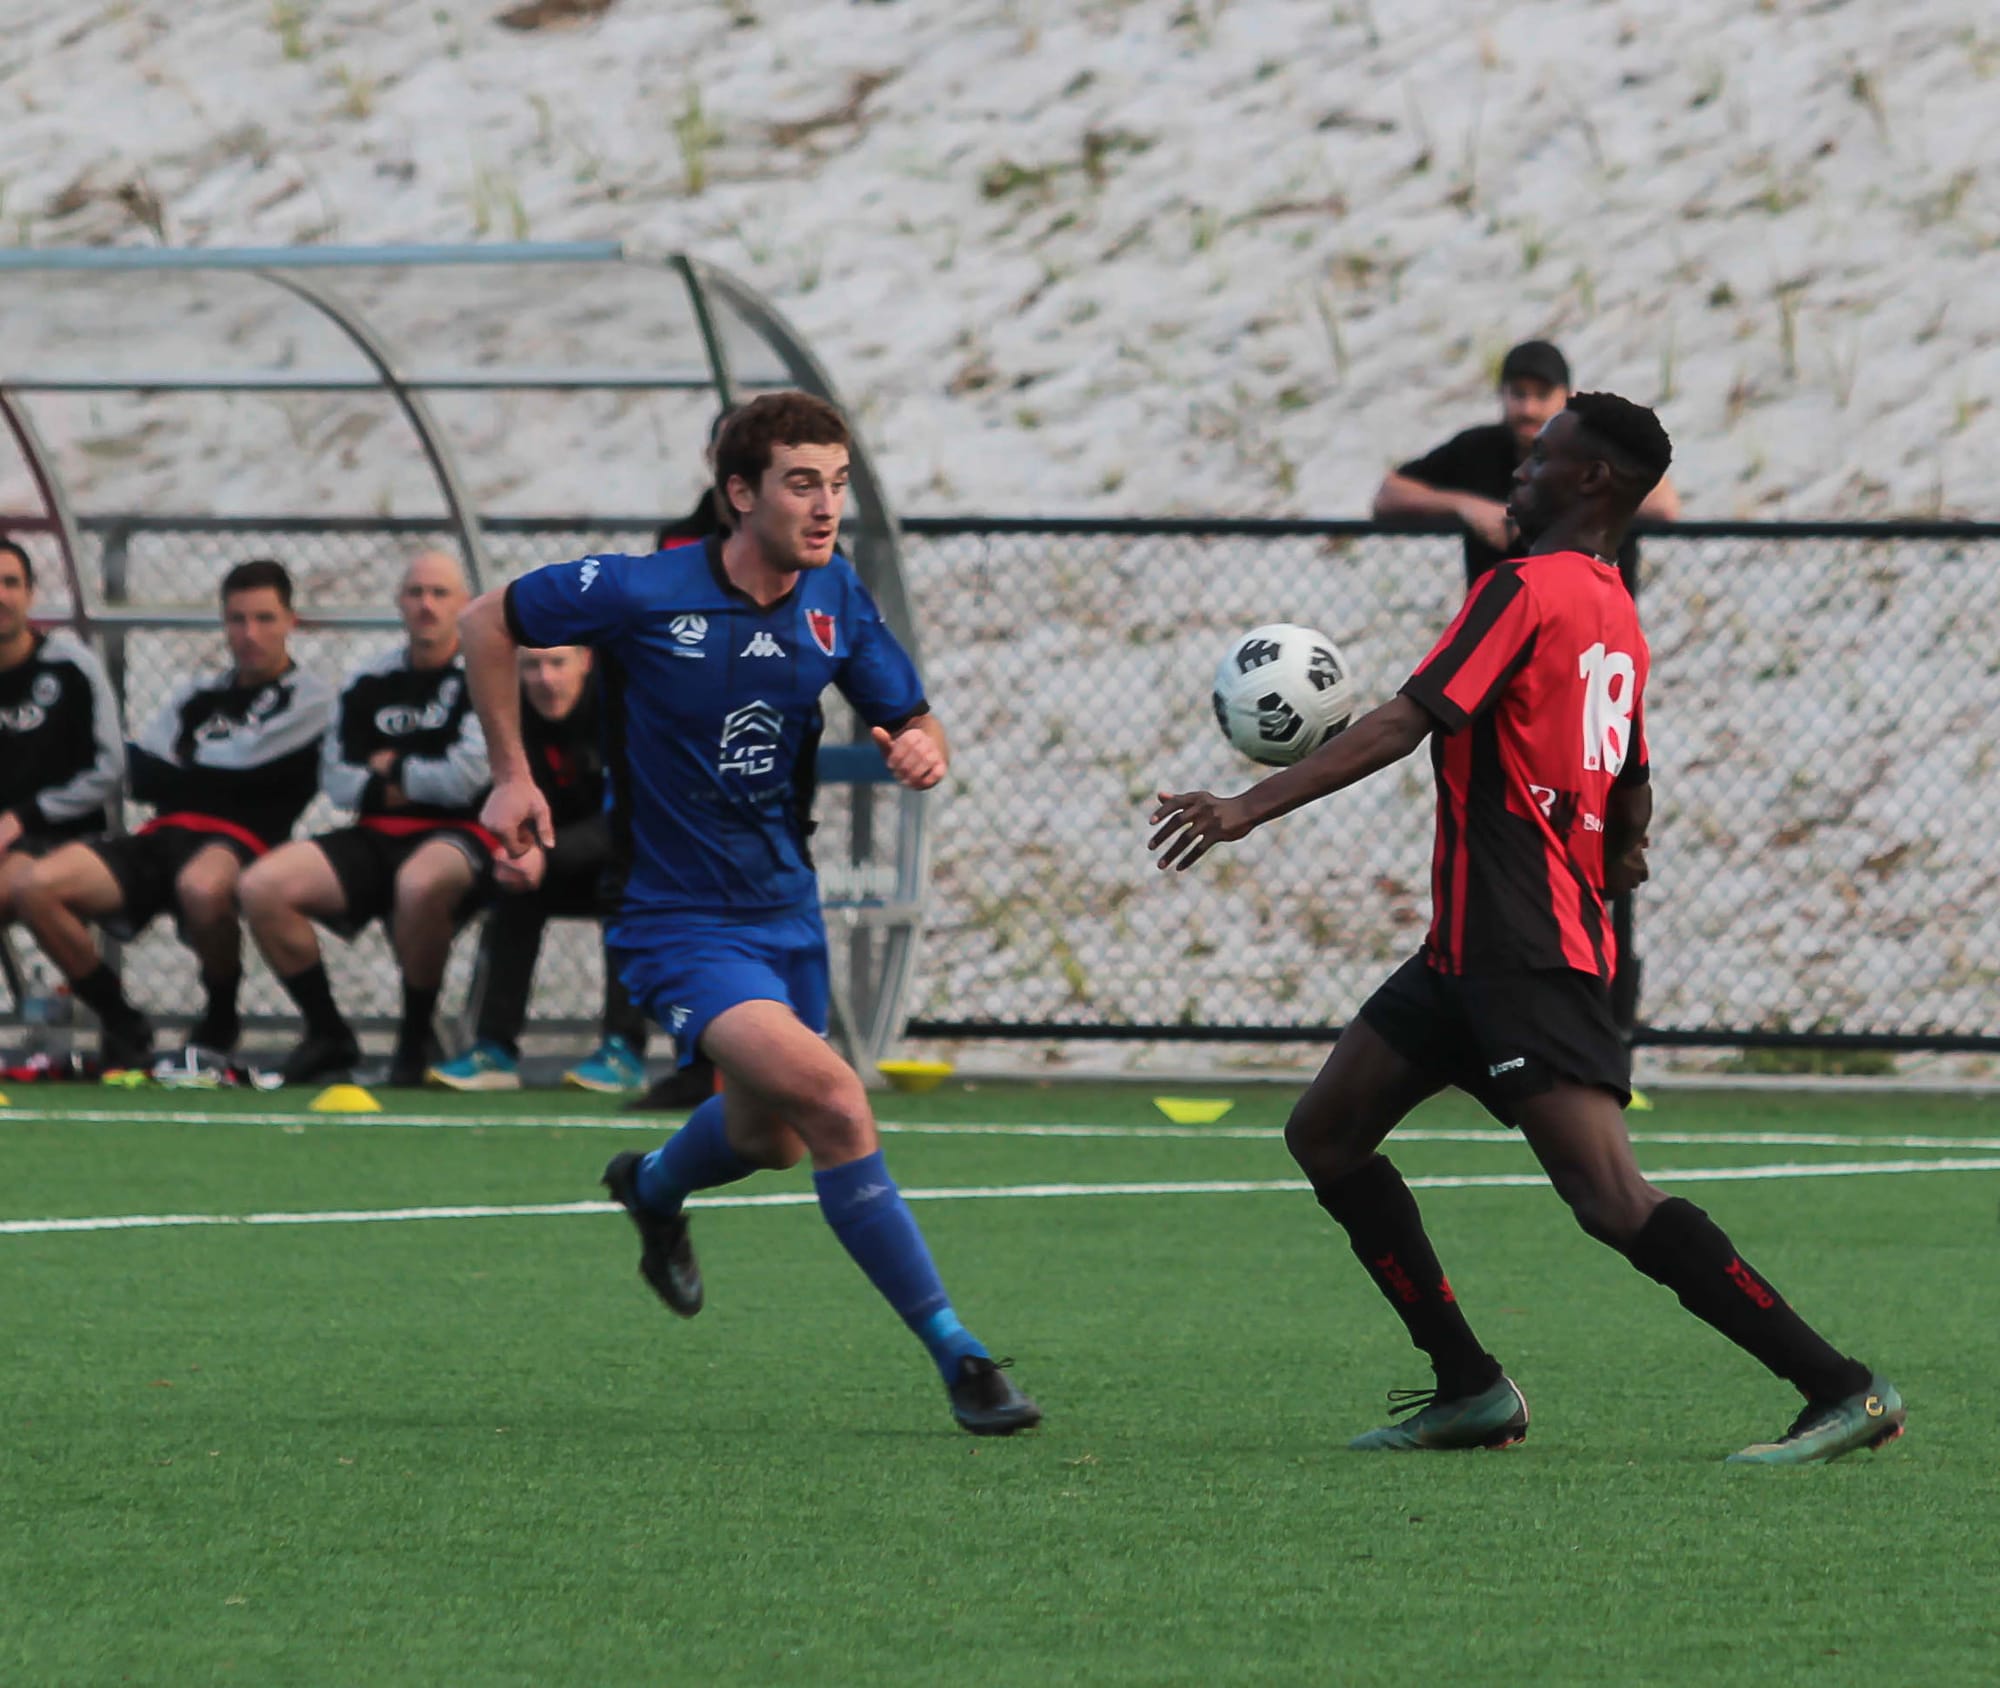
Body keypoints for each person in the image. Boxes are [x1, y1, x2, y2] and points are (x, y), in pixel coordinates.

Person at [1152, 392, 1901, 1466]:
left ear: (1591, 480)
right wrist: (1620, 843)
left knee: (1609, 1199)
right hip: (1464, 951)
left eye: (1540, 457)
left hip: (1521, 949)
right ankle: (1468, 1387)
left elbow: (1407, 720)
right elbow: (1630, 770)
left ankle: (1838, 1384)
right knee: (1324, 1132)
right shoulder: (1610, 605)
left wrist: (1240, 808)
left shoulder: (1519, 588)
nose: (1519, 470)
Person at [459, 390, 1040, 1437]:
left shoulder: (835, 600)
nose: (825, 505)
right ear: (740, 493)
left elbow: (908, 712)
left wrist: (923, 744)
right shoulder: (645, 588)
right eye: (800, 482)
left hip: (785, 907)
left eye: (837, 482)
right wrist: (511, 776)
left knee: (763, 1136)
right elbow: (484, 619)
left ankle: (650, 1186)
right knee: (831, 1099)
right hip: (674, 917)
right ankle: (961, 1354)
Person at [18, 558, 332, 1069]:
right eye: (237, 619)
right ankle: (122, 1020)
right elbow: (141, 769)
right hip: (161, 835)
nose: (249, 634)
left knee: (202, 888)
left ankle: (221, 1014)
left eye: (265, 619)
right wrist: (195, 771)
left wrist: (187, 767)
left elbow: (252, 763)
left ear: (291, 621)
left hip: (243, 839)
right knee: (37, 887)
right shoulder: (197, 693)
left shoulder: (311, 697)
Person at [240, 551, 493, 1087]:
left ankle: (415, 1036)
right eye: (415, 593)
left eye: (440, 593)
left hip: (459, 834)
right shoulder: (368, 679)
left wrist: (393, 767)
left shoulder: (481, 675)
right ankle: (328, 1032)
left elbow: (467, 778)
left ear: (465, 604)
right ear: (399, 602)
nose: (426, 605)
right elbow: (337, 778)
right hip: (373, 832)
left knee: (420, 883)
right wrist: (402, 780)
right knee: (263, 886)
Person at [429, 642, 649, 1093]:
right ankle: (493, 1049)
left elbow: (632, 817)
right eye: (531, 665)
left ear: (586, 661)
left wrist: (542, 852)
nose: (545, 679)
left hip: (627, 859)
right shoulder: (507, 719)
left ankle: (623, 1050)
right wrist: (514, 851)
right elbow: (492, 798)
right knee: (511, 889)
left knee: (629, 889)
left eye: (557, 663)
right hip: (550, 860)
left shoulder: (627, 708)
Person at [623, 404, 737, 1113]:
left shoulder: (815, 552)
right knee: (671, 904)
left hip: (761, 760)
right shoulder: (678, 543)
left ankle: (754, 1058)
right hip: (678, 761)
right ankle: (693, 1059)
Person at [1373, 340, 1682, 593]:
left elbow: (1664, 506)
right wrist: (1465, 506)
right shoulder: (1478, 449)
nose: (1528, 408)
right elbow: (1388, 496)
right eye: (1518, 394)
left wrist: (1572, 509)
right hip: (1501, 633)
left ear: (1567, 397)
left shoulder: (1598, 448)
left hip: (1589, 635)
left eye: (1542, 395)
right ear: (1502, 395)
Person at [0, 537, 125, 948]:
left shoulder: (72, 667)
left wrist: (26, 816)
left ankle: (113, 1009)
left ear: (30, 594)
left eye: (10, 583)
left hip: (61, 834)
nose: (1, 596)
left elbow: (109, 769)